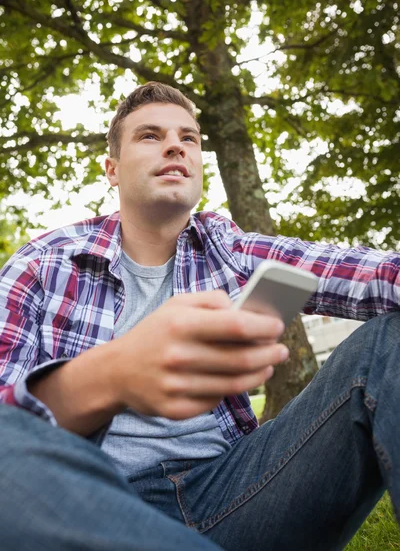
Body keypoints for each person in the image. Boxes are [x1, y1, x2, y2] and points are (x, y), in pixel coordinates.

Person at [0, 81, 399, 551]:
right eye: (150, 136)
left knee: (389, 342)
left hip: (232, 490)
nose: (175, 145)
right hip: (93, 497)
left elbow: (371, 275)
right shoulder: (43, 263)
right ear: (111, 169)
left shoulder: (226, 246)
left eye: (188, 138)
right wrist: (111, 376)